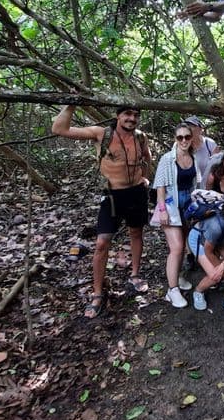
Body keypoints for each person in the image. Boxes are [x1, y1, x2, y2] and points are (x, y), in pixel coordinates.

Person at [52, 104, 152, 318]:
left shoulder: (141, 137)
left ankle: (135, 275)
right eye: (127, 114)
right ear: (118, 116)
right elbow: (60, 129)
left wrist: (144, 176)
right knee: (101, 243)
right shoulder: (101, 134)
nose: (131, 118)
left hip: (136, 193)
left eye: (135, 115)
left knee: (136, 233)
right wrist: (71, 103)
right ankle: (97, 293)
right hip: (111, 196)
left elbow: (147, 157)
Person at [152, 123, 201, 308]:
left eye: (187, 137)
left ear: (191, 138)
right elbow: (160, 186)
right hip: (171, 206)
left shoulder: (192, 157)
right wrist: (162, 209)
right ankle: (172, 290)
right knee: (177, 247)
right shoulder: (167, 159)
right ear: (175, 139)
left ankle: (178, 277)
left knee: (183, 244)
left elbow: (195, 183)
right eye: (179, 137)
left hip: (187, 205)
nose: (183, 141)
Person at [184, 115, 219, 180]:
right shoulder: (180, 145)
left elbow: (217, 168)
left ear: (200, 130)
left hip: (208, 184)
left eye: (193, 126)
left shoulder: (210, 144)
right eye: (186, 126)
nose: (189, 129)